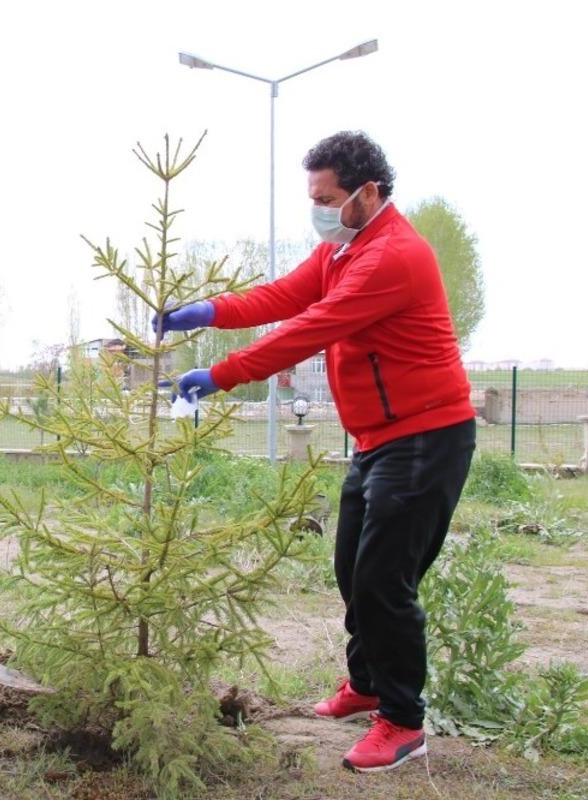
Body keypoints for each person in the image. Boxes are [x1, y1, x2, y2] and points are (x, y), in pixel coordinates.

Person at [157, 131, 476, 772]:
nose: (318, 210)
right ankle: (366, 685)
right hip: (379, 439)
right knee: (351, 571)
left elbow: (309, 329)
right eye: (314, 198)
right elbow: (283, 296)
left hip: (426, 437)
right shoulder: (341, 249)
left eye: (327, 199)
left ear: (368, 193)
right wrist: (209, 311)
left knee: (384, 582)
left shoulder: (392, 257)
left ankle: (403, 722)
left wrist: (220, 375)